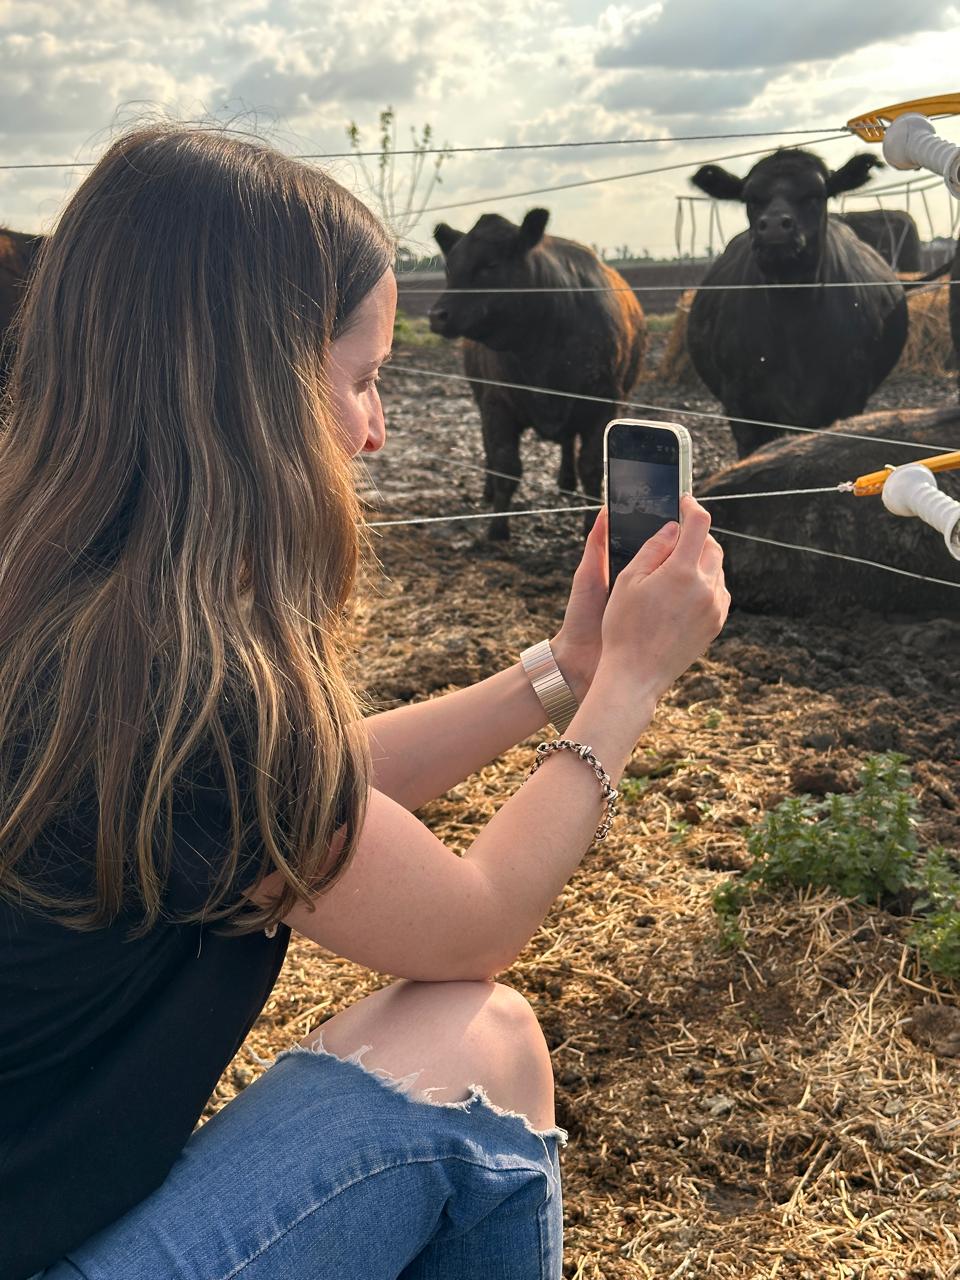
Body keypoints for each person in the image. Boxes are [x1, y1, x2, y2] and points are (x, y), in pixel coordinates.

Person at [0, 124, 729, 1280]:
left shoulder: (61, 600)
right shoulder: (188, 691)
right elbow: (475, 920)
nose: (377, 427)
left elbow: (303, 783)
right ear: (258, 391)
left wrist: (563, 669)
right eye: (362, 376)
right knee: (481, 1037)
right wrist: (631, 687)